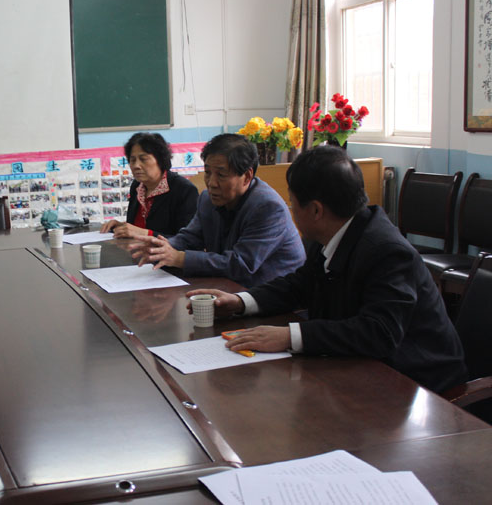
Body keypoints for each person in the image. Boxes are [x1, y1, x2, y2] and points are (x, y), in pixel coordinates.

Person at [188, 146, 467, 393]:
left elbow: (379, 332)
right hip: (358, 368)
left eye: (292, 203)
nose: (291, 210)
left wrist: (289, 336)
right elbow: (299, 285)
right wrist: (240, 302)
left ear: (316, 211)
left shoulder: (387, 252)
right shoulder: (331, 233)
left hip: (416, 383)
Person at [129, 133, 305, 287]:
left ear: (247, 176)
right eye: (207, 172)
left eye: (221, 174)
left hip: (272, 296)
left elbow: (241, 264)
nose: (211, 183)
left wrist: (179, 258)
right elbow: (190, 238)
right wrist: (162, 248)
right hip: (229, 288)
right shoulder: (207, 199)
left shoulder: (268, 207)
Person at [100, 132, 198, 238]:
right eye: (132, 160)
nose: (136, 166)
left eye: (143, 159)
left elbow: (187, 240)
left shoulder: (184, 190)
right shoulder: (137, 186)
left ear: (160, 160)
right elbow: (140, 227)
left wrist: (145, 233)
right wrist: (121, 226)